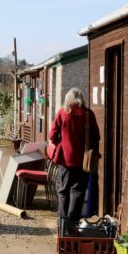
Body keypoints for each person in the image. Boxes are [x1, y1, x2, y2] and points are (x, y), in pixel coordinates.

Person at [48, 87, 100, 233]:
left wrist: (61, 143)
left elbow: (52, 135)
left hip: (65, 160)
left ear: (68, 99)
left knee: (63, 191)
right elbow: (96, 137)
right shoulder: (88, 114)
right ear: (82, 98)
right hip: (83, 161)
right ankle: (72, 225)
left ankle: (63, 223)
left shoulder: (62, 113)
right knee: (78, 192)